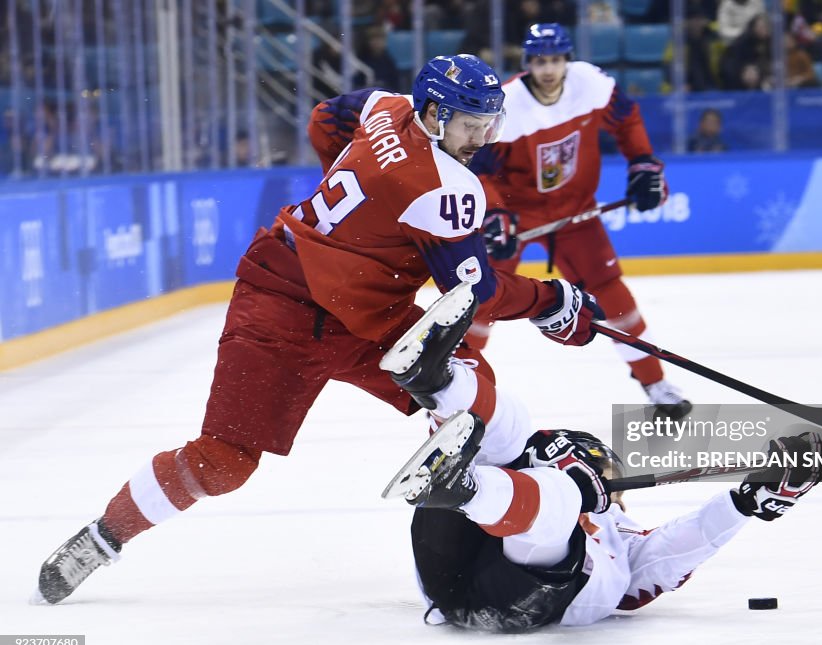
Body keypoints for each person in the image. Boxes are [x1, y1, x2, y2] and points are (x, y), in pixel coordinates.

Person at [34, 54, 606, 605]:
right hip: (280, 311)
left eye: (491, 123)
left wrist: (369, 209)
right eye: (470, 126)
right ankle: (103, 538)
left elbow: (324, 119)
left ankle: (493, 515)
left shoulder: (387, 106)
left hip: (363, 316)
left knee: (473, 397)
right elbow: (476, 292)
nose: (483, 139)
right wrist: (551, 299)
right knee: (224, 462)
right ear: (433, 114)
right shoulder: (445, 188)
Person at [390, 402, 822, 631]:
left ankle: (462, 485)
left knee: (558, 499)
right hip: (452, 569)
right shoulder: (531, 482)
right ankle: (440, 388)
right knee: (505, 426)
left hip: (521, 603)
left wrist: (745, 502)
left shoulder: (621, 537)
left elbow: (670, 554)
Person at [468, 23, 692, 419]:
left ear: (567, 59)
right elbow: (480, 168)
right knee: (482, 299)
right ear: (528, 64)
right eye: (540, 61)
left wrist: (642, 160)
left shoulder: (591, 83)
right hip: (517, 215)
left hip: (575, 211)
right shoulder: (508, 105)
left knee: (614, 294)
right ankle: (457, 388)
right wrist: (494, 212)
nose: (549, 69)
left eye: (555, 59)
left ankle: (655, 381)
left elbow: (627, 120)